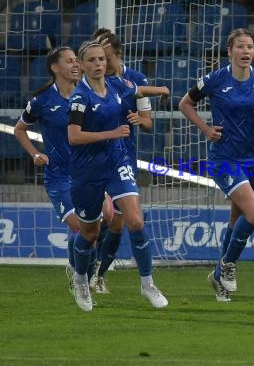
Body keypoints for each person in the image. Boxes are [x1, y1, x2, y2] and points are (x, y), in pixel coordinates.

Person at [179, 28, 254, 302]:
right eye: (241, 47)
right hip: (224, 160)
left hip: (252, 160)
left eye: (250, 47)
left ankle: (218, 278)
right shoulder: (215, 79)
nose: (246, 51)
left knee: (237, 220)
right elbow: (185, 103)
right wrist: (205, 129)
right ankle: (227, 266)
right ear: (230, 51)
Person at [67, 40, 169, 312]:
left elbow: (138, 89)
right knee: (89, 231)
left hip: (118, 162)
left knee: (135, 220)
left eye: (101, 59)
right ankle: (80, 279)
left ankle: (147, 283)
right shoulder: (80, 97)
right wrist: (111, 133)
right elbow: (74, 137)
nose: (98, 64)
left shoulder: (116, 84)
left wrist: (160, 90)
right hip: (88, 169)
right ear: (82, 65)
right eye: (92, 60)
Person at [13, 46, 113, 293]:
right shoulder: (42, 100)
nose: (76, 65)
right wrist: (35, 153)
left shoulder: (89, 94)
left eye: (76, 60)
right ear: (55, 68)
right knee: (81, 227)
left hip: (89, 173)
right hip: (59, 177)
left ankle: (79, 268)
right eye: (69, 61)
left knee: (107, 220)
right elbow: (19, 129)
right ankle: (82, 277)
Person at [87, 28, 155, 294]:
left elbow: (149, 121)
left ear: (117, 53)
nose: (102, 63)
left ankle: (99, 275)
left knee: (118, 221)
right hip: (91, 158)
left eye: (106, 57)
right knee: (97, 218)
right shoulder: (88, 82)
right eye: (97, 58)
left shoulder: (136, 79)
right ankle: (82, 265)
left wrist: (141, 120)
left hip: (123, 157)